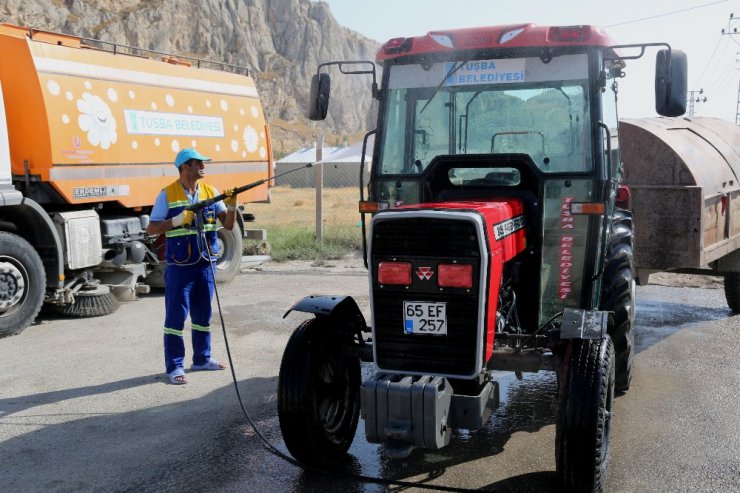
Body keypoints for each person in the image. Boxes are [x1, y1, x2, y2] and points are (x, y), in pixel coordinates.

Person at [146, 148, 238, 385]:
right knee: (176, 319)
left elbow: (227, 225)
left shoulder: (211, 191)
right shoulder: (167, 194)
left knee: (203, 316)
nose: (204, 166)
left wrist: (232, 205)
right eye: (199, 163)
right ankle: (175, 367)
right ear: (186, 166)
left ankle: (202, 359)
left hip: (205, 265)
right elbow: (152, 229)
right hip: (180, 268)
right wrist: (176, 220)